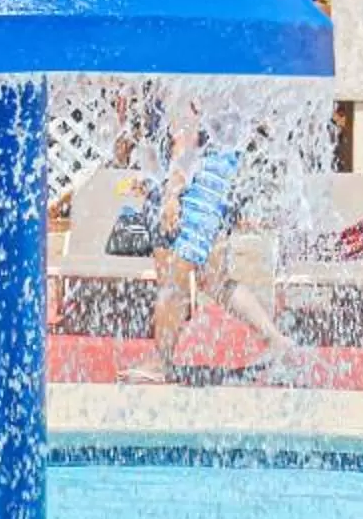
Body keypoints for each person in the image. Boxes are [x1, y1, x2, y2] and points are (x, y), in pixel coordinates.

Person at [122, 121, 304, 384]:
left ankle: (159, 362)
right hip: (212, 176)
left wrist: (172, 193)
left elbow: (186, 135)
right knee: (214, 278)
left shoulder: (173, 86)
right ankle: (277, 341)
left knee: (175, 276)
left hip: (195, 179)